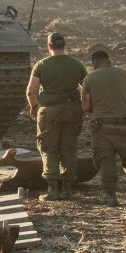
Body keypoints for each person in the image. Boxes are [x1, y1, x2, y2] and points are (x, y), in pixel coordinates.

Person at [25, 32, 86, 201]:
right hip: (72, 110)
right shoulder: (76, 64)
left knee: (48, 148)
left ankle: (52, 190)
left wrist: (35, 107)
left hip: (49, 111)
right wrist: (83, 104)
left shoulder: (41, 65)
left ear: (49, 46)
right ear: (64, 45)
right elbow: (86, 87)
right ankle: (67, 190)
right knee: (68, 147)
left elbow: (31, 91)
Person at [81, 49, 126, 206]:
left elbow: (86, 106)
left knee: (105, 161)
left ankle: (109, 195)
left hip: (103, 128)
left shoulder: (89, 78)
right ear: (109, 61)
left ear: (93, 64)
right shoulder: (124, 74)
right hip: (125, 126)